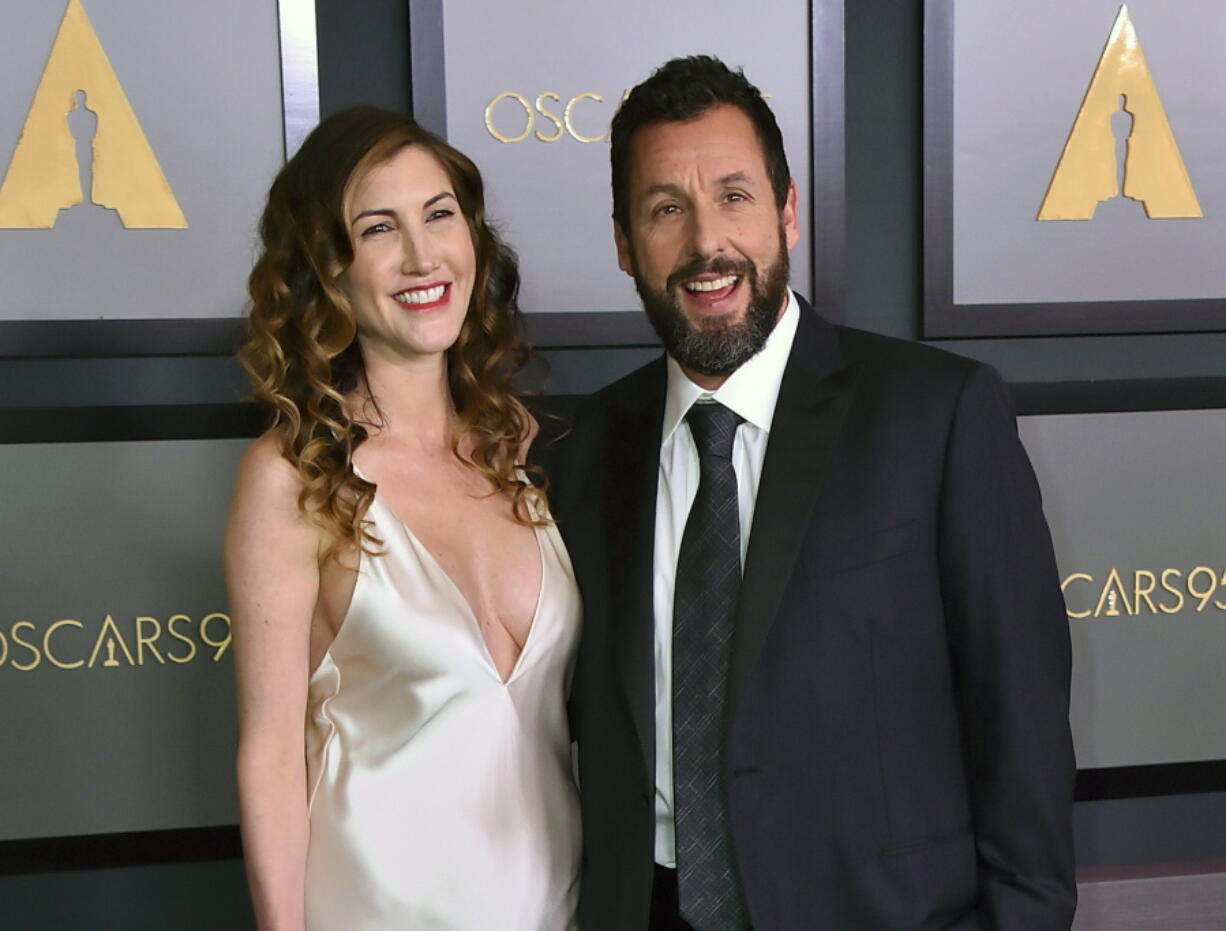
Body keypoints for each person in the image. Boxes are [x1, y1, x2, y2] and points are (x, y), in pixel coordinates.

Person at [547, 56, 1076, 930]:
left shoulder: (937, 414)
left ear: (788, 211)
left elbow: (1018, 720)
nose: (705, 244)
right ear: (623, 242)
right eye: (666, 209)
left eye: (735, 196)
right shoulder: (580, 449)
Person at [225, 106, 580, 931]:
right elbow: (272, 758)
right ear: (328, 267)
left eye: (440, 214)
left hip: (555, 909)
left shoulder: (520, 446)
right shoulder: (290, 479)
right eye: (379, 227)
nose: (423, 256)